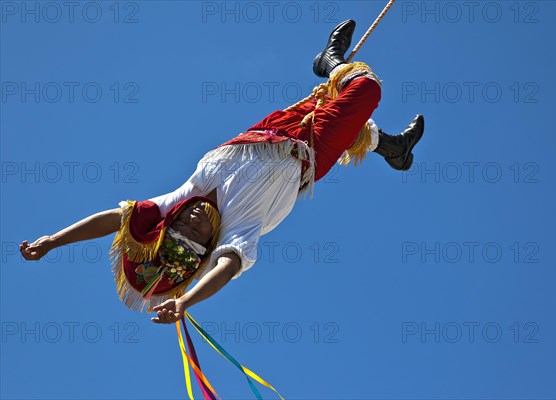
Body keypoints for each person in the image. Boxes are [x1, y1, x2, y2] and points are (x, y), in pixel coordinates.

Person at [19, 20, 425, 325]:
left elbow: (116, 219)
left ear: (168, 221)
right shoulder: (236, 228)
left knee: (345, 115)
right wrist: (185, 302)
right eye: (197, 235)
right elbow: (227, 267)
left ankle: (395, 149)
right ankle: (332, 63)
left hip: (270, 129)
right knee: (364, 91)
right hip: (309, 155)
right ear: (208, 243)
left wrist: (53, 241)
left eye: (182, 225)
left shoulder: (182, 198)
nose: (194, 220)